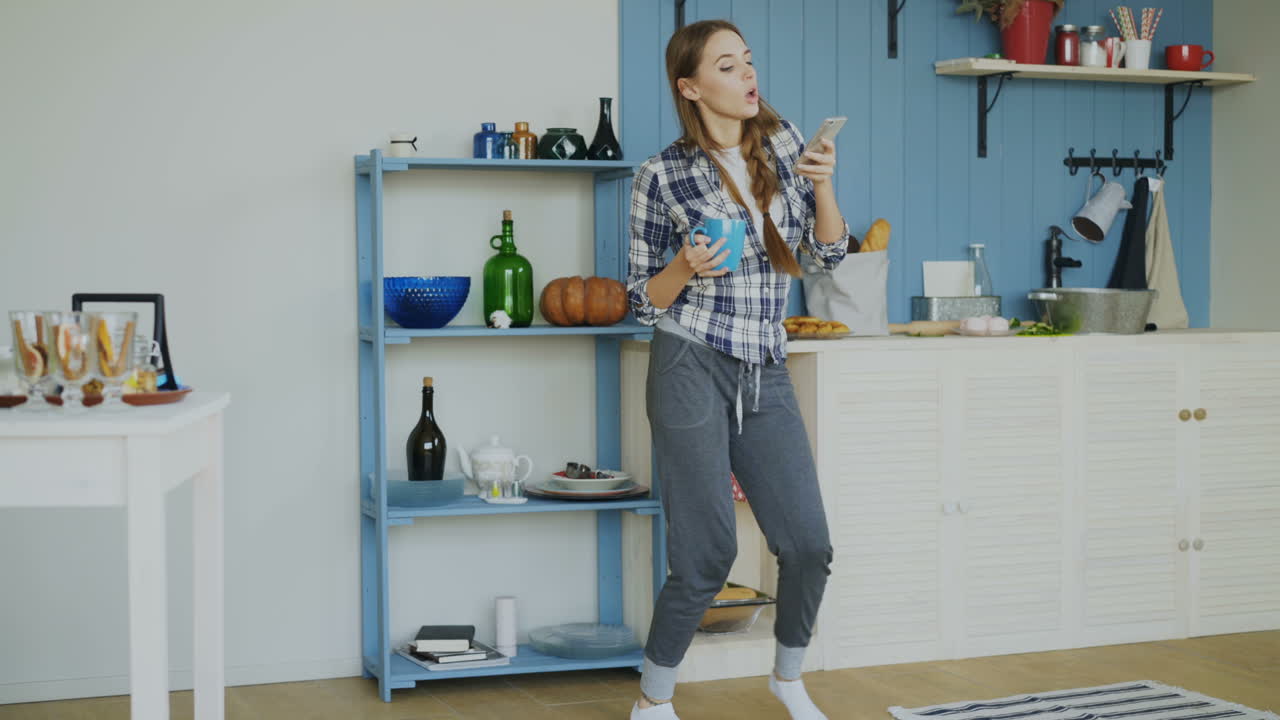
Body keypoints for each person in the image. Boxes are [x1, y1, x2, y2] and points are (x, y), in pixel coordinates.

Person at [625, 18, 851, 720]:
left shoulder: (784, 144)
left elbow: (826, 257)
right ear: (690, 88)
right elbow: (641, 301)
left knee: (808, 544)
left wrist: (824, 187)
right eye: (727, 66)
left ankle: (788, 678)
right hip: (688, 362)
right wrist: (683, 265)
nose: (748, 74)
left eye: (748, 61)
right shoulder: (660, 174)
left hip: (763, 365)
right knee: (706, 554)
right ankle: (653, 700)